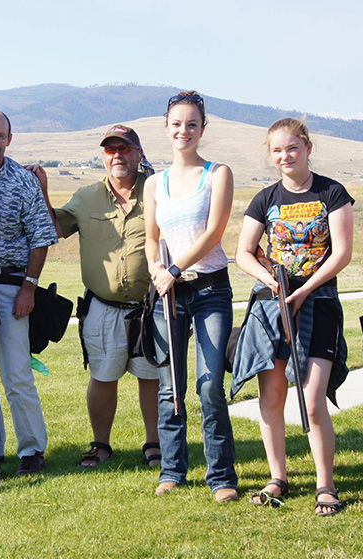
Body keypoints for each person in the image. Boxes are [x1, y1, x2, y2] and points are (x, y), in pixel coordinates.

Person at [231, 118, 354, 516]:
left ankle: (325, 484)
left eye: (293, 148)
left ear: (308, 148)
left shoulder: (332, 192)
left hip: (318, 302)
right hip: (272, 303)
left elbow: (341, 254)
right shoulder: (264, 199)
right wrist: (272, 280)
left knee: (313, 400)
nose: (285, 156)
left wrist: (302, 290)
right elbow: (243, 252)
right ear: (270, 155)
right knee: (271, 397)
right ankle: (277, 477)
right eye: (277, 151)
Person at [37, 124, 161, 469]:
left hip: (149, 307)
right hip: (102, 307)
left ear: (138, 153)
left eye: (124, 149)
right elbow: (53, 228)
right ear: (103, 156)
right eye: (111, 150)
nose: (117, 155)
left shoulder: (157, 192)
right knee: (103, 377)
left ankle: (154, 444)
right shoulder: (86, 196)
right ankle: (100, 444)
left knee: (151, 377)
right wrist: (44, 192)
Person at [143, 91, 238, 502]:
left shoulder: (218, 174)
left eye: (192, 124)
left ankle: (221, 477)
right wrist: (157, 270)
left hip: (210, 289)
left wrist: (177, 268)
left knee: (210, 384)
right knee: (170, 386)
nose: (184, 130)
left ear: (203, 128)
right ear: (166, 128)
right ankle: (172, 470)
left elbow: (214, 233)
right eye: (177, 124)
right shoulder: (153, 183)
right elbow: (151, 239)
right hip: (169, 294)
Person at [0, 109, 58, 475]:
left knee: (17, 375)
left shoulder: (23, 181)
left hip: (11, 286)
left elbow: (41, 238)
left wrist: (29, 287)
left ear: (9, 139)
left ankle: (32, 450)